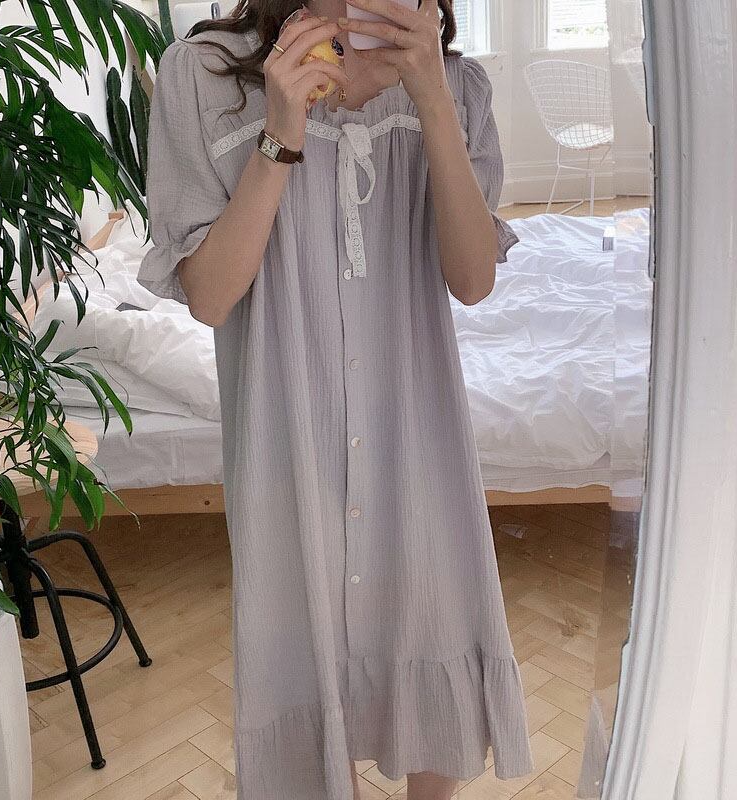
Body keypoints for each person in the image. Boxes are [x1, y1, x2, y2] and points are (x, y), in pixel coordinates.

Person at [136, 1, 533, 798]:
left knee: (429, 632)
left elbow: (472, 279)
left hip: (415, 442)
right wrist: (279, 135)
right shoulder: (204, 75)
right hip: (289, 448)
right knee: (305, 674)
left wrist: (431, 98)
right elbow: (211, 297)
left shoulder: (457, 83)